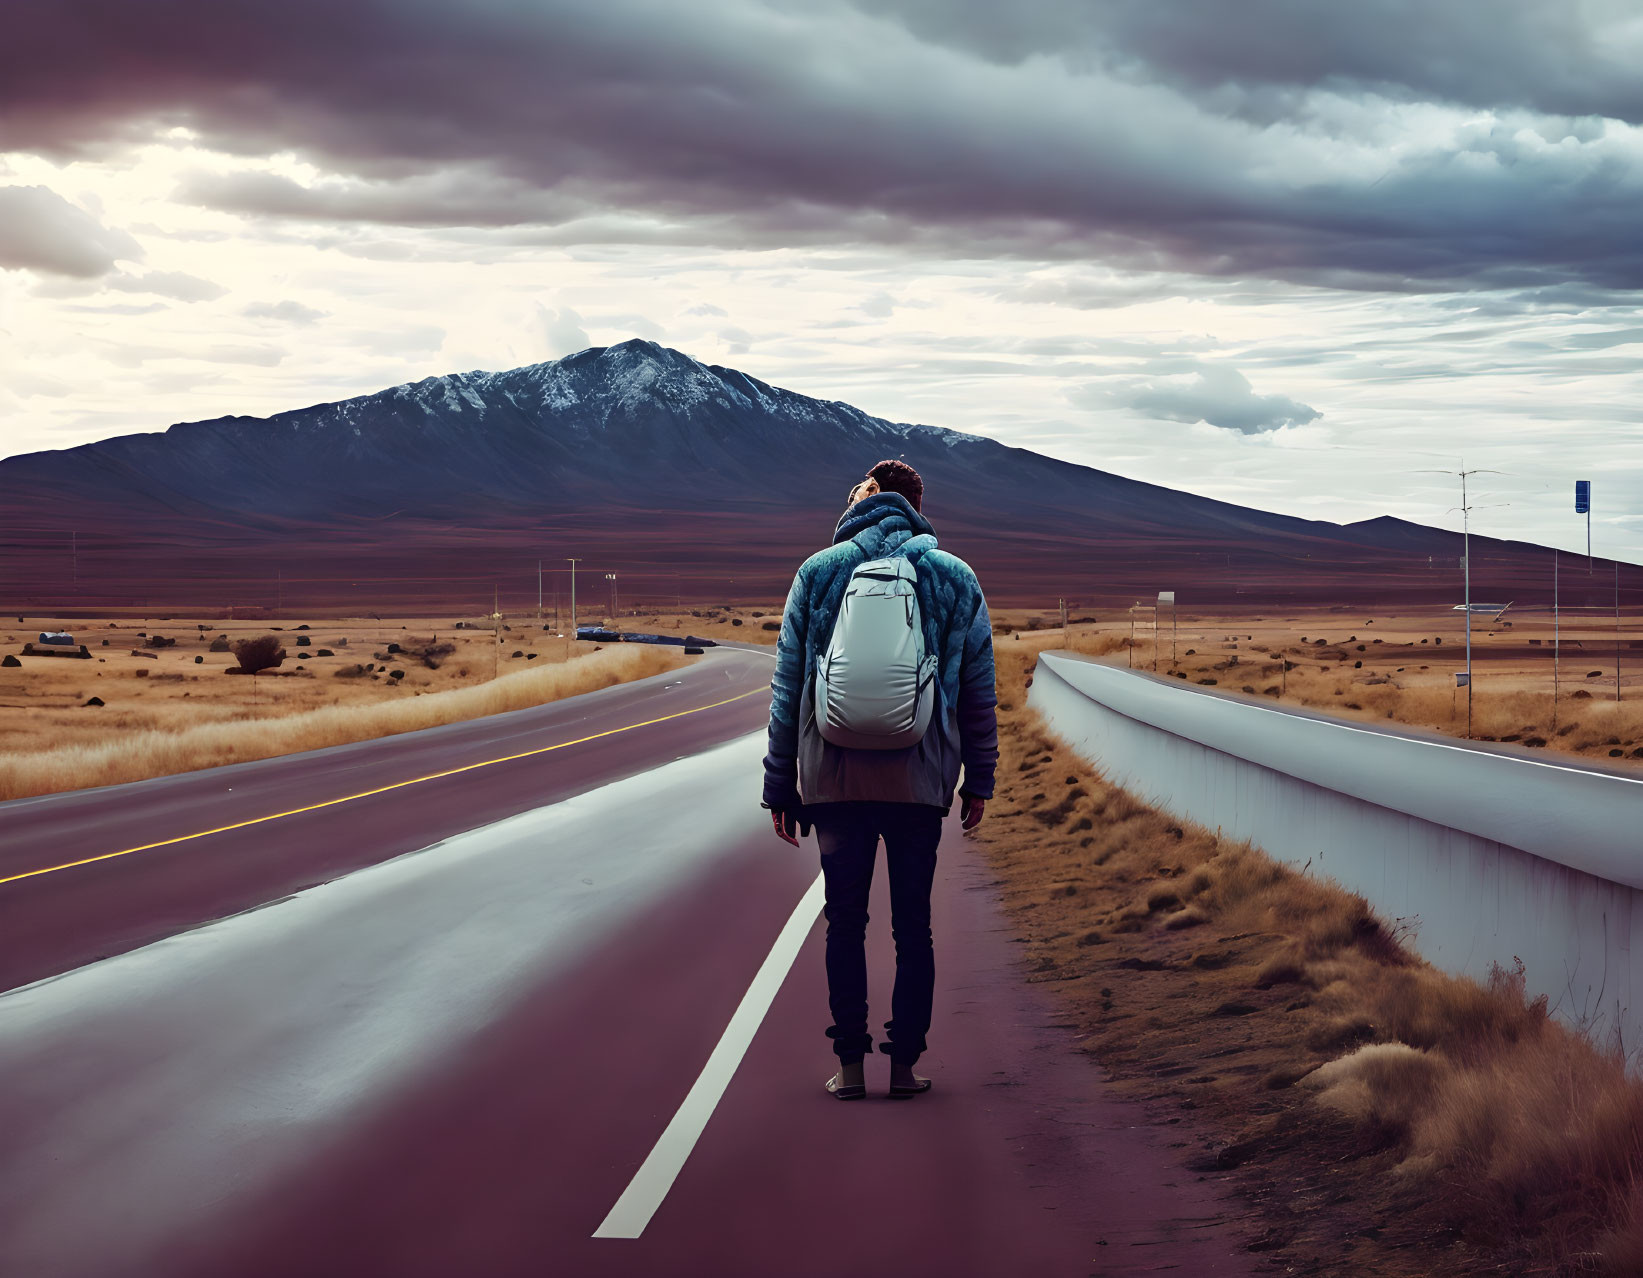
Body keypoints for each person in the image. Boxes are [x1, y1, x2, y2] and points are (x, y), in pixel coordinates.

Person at [762, 458, 998, 1100]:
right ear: (920, 506)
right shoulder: (953, 577)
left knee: (845, 923)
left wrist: (780, 785)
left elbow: (788, 691)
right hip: (919, 782)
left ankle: (851, 1067)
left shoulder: (819, 572)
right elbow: (979, 692)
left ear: (864, 501)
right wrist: (980, 777)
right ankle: (902, 1068)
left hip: (834, 781)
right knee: (912, 927)